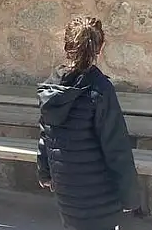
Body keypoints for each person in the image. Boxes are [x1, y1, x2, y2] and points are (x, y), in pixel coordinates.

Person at [37, 16, 141, 230]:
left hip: (67, 190)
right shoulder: (100, 90)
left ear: (67, 46)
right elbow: (117, 149)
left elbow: (45, 135)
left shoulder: (52, 89)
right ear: (100, 49)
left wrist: (45, 172)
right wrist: (130, 198)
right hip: (99, 196)